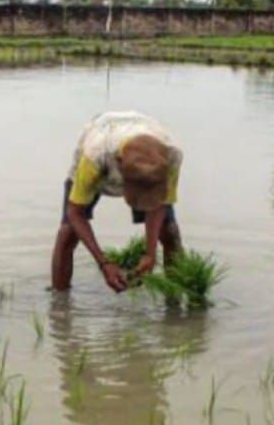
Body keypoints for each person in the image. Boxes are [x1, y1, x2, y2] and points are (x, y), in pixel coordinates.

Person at [50, 111, 184, 292]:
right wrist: (104, 263)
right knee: (68, 232)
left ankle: (175, 303)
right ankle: (60, 304)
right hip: (101, 143)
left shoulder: (171, 156)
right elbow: (75, 213)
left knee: (169, 231)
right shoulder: (95, 156)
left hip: (138, 137)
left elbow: (160, 204)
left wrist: (150, 254)